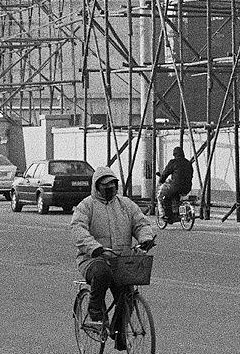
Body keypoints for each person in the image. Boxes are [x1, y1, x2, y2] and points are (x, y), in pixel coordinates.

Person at [69, 169, 156, 338]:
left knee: (128, 296)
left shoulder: (126, 205)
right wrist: (95, 248)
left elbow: (141, 223)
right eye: (105, 185)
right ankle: (95, 310)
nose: (109, 188)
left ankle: (118, 331)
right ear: (96, 186)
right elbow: (78, 229)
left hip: (120, 260)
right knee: (102, 273)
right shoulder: (86, 206)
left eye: (112, 184)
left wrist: (145, 238)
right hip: (92, 259)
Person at [157, 145, 193, 224]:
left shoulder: (173, 162)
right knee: (175, 195)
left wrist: (161, 180)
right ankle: (177, 212)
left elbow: (165, 173)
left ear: (174, 154)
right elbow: (191, 175)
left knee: (165, 198)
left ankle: (169, 217)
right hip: (187, 187)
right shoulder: (188, 163)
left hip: (176, 187)